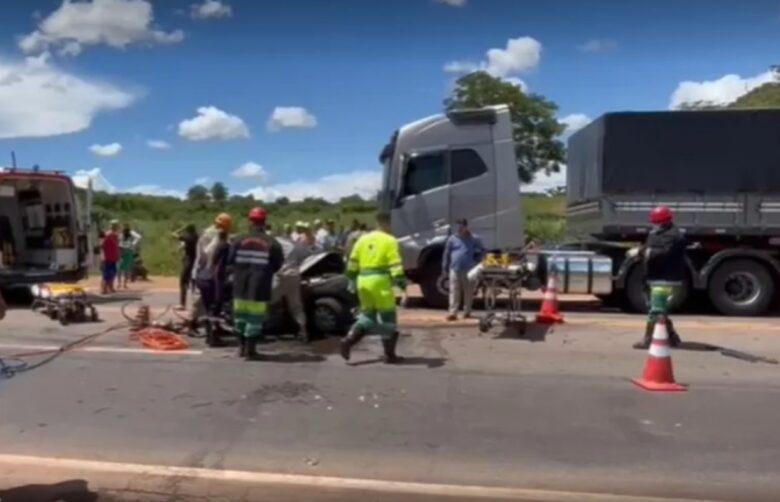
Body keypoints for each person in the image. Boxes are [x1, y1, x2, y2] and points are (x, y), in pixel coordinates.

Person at [340, 212, 406, 364]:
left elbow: (352, 263)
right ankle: (390, 355)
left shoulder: (362, 239)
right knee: (388, 318)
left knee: (367, 316)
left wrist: (351, 279)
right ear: (388, 223)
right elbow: (395, 265)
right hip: (380, 282)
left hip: (363, 281)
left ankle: (348, 340)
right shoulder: (390, 240)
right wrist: (401, 284)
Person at [229, 207, 284, 360]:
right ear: (265, 222)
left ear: (249, 221)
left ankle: (240, 349)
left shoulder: (238, 240)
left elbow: (230, 260)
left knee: (240, 318)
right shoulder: (272, 242)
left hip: (240, 286)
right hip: (259, 288)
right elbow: (278, 264)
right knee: (254, 320)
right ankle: (250, 351)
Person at [632, 205, 686, 349]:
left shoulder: (673, 236)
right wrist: (639, 252)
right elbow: (648, 248)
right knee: (659, 309)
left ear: (663, 221)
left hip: (665, 280)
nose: (653, 224)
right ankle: (673, 337)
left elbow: (662, 253)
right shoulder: (656, 233)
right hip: (655, 278)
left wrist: (644, 252)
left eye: (655, 221)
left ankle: (648, 339)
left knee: (656, 311)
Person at [194, 213, 233, 345]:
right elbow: (217, 265)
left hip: (202, 275)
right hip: (212, 277)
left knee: (208, 307)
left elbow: (201, 257)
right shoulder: (222, 243)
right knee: (214, 307)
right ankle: (212, 337)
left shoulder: (207, 235)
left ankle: (211, 333)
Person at [273, 231, 312, 342]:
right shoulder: (294, 245)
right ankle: (303, 332)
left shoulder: (274, 242)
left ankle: (258, 330)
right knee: (296, 307)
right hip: (294, 275)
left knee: (265, 301)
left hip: (281, 275)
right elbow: (306, 257)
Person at [443, 219, 484, 321]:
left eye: (462, 226)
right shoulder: (452, 239)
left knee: (468, 292)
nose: (460, 228)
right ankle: (453, 313)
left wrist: (477, 259)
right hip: (454, 268)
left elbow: (482, 250)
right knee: (454, 291)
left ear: (466, 227)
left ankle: (467, 312)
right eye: (458, 226)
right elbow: (446, 254)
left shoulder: (474, 239)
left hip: (469, 269)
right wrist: (444, 267)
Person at [172, 224, 199, 310]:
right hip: (195, 261)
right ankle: (196, 305)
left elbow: (174, 234)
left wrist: (181, 228)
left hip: (188, 261)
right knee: (193, 284)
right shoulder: (196, 237)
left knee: (183, 281)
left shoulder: (188, 237)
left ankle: (182, 304)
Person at [118, 224, 142, 289]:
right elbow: (119, 244)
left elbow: (138, 237)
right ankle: (120, 284)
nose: (125, 231)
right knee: (120, 269)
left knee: (125, 269)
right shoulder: (120, 236)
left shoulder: (130, 237)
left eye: (126, 230)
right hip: (122, 252)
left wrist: (132, 244)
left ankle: (123, 284)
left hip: (127, 253)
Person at [100, 221, 120, 294]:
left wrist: (117, 255)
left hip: (113, 257)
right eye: (114, 225)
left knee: (113, 272)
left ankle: (110, 287)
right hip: (107, 257)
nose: (116, 227)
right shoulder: (108, 235)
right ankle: (104, 289)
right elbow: (102, 245)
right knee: (107, 273)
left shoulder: (115, 235)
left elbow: (116, 247)